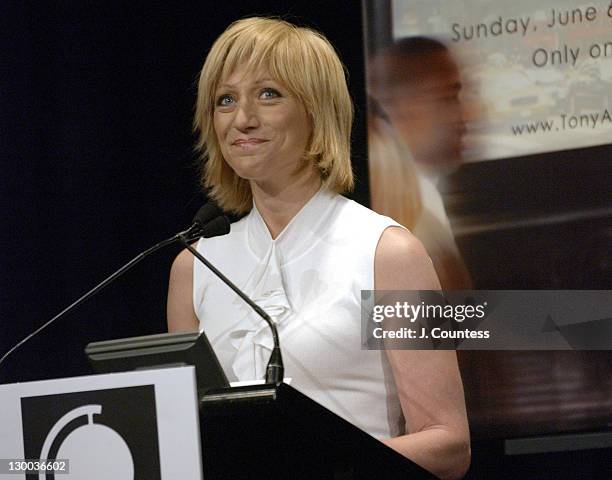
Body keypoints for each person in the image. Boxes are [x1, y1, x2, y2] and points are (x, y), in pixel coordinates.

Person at [167, 17, 470, 479]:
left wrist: (324, 466)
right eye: (225, 100)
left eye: (269, 94)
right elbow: (178, 440)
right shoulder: (194, 267)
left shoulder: (389, 253)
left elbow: (448, 443)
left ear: (317, 110)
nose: (242, 118)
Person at [368, 37, 473, 290]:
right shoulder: (406, 214)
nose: (466, 115)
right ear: (401, 107)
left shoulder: (425, 196)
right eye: (448, 97)